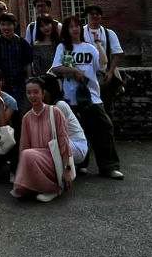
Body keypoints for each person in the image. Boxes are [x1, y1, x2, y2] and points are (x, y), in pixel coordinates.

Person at [51, 15, 123, 180]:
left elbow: (103, 65)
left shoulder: (89, 47)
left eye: (77, 26)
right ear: (67, 31)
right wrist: (74, 71)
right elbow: (56, 68)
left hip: (92, 96)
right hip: (71, 97)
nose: (75, 29)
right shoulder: (64, 48)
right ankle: (80, 164)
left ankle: (109, 166)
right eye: (71, 27)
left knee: (104, 129)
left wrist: (98, 45)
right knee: (77, 132)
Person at [12, 77, 71, 202]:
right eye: (29, 92)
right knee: (26, 155)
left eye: (36, 92)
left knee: (28, 154)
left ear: (43, 93)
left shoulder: (55, 112)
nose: (32, 95)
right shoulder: (26, 118)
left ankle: (53, 188)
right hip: (34, 160)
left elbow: (63, 142)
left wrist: (67, 169)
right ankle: (36, 186)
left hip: (53, 160)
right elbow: (24, 146)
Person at [39, 73, 89, 174]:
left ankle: (65, 171)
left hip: (77, 147)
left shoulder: (59, 105)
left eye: (39, 91)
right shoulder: (43, 106)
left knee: (47, 141)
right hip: (66, 144)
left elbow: (55, 134)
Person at [83, 5, 126, 113]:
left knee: (106, 105)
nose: (94, 16)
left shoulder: (109, 33)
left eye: (97, 14)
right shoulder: (81, 32)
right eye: (91, 14)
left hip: (104, 74)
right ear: (87, 16)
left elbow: (117, 54)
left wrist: (111, 72)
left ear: (100, 16)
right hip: (86, 74)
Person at [0, 12, 33, 109]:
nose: (6, 28)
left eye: (9, 24)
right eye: (3, 24)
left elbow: (28, 65)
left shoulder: (22, 43)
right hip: (1, 87)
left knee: (21, 113)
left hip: (20, 86)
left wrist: (28, 81)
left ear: (14, 25)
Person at [25, 0, 61, 75]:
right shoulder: (31, 27)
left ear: (49, 7)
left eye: (43, 6)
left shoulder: (58, 25)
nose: (41, 9)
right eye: (38, 6)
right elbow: (28, 48)